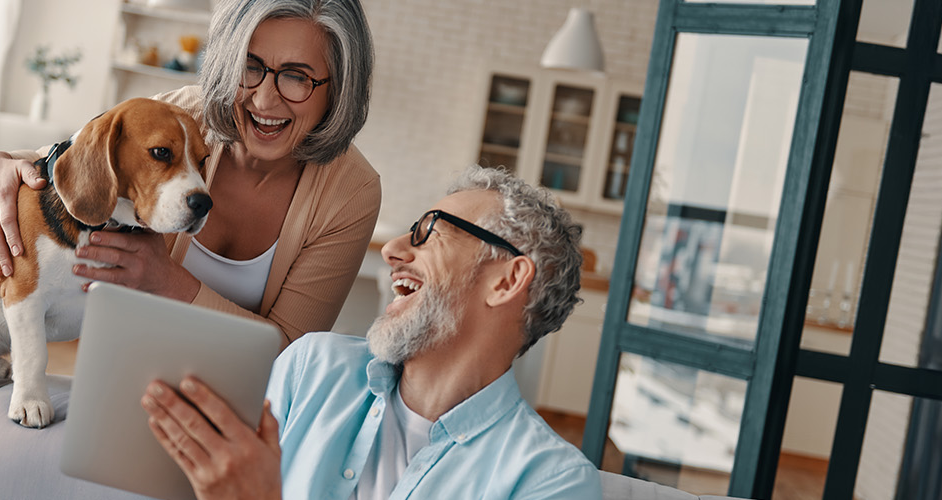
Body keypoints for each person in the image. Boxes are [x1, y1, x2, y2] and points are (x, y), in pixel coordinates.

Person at [140, 166, 604, 500]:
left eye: (428, 232)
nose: (395, 250)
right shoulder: (311, 368)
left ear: (505, 280)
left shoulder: (551, 483)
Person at [0, 0, 380, 344]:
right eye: (250, 66)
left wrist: (172, 284)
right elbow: (80, 159)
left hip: (239, 412)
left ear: (337, 90)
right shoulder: (185, 113)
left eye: (297, 77)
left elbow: (292, 351)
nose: (264, 99)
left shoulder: (352, 192)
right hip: (119, 372)